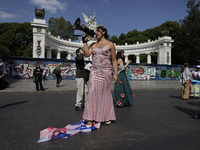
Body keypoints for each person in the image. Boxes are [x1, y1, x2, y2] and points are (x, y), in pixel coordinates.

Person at [82, 25, 118, 127]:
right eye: (96, 31)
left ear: (103, 32)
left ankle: (106, 116)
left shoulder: (111, 44)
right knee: (92, 92)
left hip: (106, 72)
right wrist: (85, 42)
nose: (96, 33)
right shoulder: (93, 45)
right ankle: (90, 118)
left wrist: (116, 74)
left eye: (97, 31)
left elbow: (114, 60)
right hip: (94, 71)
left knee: (105, 94)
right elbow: (86, 54)